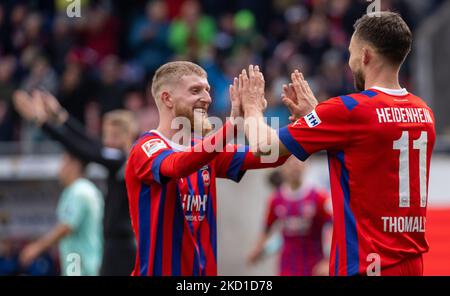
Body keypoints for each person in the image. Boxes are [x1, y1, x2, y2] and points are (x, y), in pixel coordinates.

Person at [238, 12, 436, 276]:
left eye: (351, 53)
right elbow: (368, 147)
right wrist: (317, 118)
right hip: (411, 264)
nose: (350, 61)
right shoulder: (424, 112)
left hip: (366, 267)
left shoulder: (348, 110)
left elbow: (265, 146)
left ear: (365, 55)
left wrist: (251, 108)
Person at [125, 61, 288, 276]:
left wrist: (307, 126)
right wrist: (233, 125)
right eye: (195, 90)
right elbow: (177, 166)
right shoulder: (146, 148)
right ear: (167, 98)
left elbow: (271, 156)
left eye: (207, 90)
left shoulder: (205, 150)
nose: (207, 98)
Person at [13, 91, 137, 275]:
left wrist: (43, 122)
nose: (107, 141)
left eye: (113, 135)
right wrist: (62, 117)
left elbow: (86, 149)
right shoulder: (118, 160)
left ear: (128, 135)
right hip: (115, 243)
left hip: (121, 244)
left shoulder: (123, 160)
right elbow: (90, 145)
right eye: (106, 135)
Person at [19, 152, 104, 276]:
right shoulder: (89, 189)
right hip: (89, 263)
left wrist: (37, 247)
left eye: (63, 162)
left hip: (79, 265)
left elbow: (67, 227)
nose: (59, 168)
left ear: (74, 165)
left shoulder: (78, 191)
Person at [248, 157, 332, 276]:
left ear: (305, 166)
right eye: (289, 163)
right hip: (287, 266)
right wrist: (258, 249)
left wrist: (328, 261)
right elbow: (267, 227)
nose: (294, 166)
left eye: (298, 161)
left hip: (314, 266)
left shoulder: (319, 197)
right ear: (282, 168)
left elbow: (334, 227)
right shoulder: (276, 200)